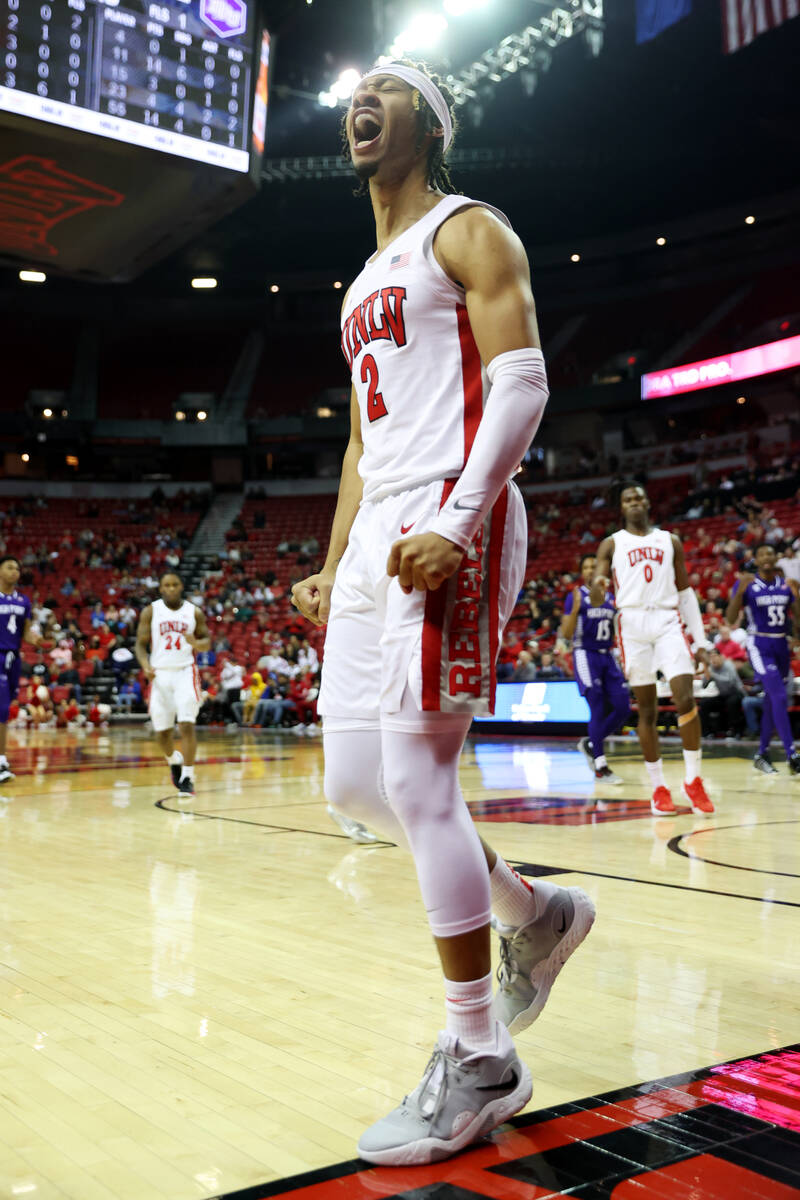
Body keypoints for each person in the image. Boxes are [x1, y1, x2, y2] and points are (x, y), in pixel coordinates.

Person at [291, 59, 595, 1166]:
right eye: (353, 94)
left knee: (418, 778)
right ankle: (535, 915)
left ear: (430, 118)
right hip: (378, 538)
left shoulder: (468, 230)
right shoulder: (359, 281)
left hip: (449, 521)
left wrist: (459, 525)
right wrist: (333, 567)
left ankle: (479, 1057)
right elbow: (363, 447)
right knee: (356, 786)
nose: (359, 103)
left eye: (385, 87)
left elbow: (520, 384)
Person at [591, 484, 714, 815]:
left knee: (685, 697)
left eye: (639, 498)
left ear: (647, 503)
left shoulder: (669, 540)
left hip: (667, 619)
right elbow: (596, 594)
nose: (634, 503)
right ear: (621, 508)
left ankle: (693, 780)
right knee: (647, 710)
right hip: (631, 624)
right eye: (628, 499)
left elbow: (686, 593)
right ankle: (659, 788)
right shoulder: (612, 543)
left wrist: (700, 642)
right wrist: (599, 587)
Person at [725, 543, 800, 774]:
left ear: (776, 558)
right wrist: (739, 591)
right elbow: (729, 618)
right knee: (778, 695)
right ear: (755, 560)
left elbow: (798, 618)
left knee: (772, 700)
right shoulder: (748, 584)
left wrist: (796, 635)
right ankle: (792, 754)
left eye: (770, 553)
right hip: (759, 644)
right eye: (762, 554)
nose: (767, 557)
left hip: (781, 644)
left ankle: (762, 753)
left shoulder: (787, 584)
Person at [135, 572, 210, 797]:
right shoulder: (151, 611)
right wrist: (144, 664)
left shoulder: (193, 612)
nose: (171, 588)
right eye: (166, 585)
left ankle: (188, 777)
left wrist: (196, 642)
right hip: (160, 675)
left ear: (181, 586)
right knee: (162, 733)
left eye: (174, 584)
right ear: (160, 588)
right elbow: (139, 645)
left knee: (186, 724)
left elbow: (206, 642)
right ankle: (173, 760)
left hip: (185, 672)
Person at [560, 553, 629, 784]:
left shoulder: (611, 597)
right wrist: (575, 608)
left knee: (623, 707)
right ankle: (600, 765)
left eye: (594, 566)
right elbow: (567, 634)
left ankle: (591, 742)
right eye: (586, 567)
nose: (591, 570)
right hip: (585, 654)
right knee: (597, 707)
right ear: (582, 572)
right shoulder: (576, 595)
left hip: (607, 656)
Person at [0, 555, 41, 782]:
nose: (15, 571)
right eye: (9, 567)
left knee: (5, 710)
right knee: (2, 708)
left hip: (14, 658)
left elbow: (25, 633)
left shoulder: (23, 601)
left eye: (17, 568)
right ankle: (1, 762)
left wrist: (39, 640)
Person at [698, 649, 745, 737]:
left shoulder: (728, 665)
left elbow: (730, 682)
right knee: (704, 703)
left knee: (732, 702)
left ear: (721, 657)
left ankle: (736, 732)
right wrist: (706, 674)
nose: (713, 660)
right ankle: (707, 733)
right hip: (723, 695)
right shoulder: (711, 668)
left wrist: (713, 675)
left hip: (736, 693)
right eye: (710, 658)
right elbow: (704, 686)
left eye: (714, 656)